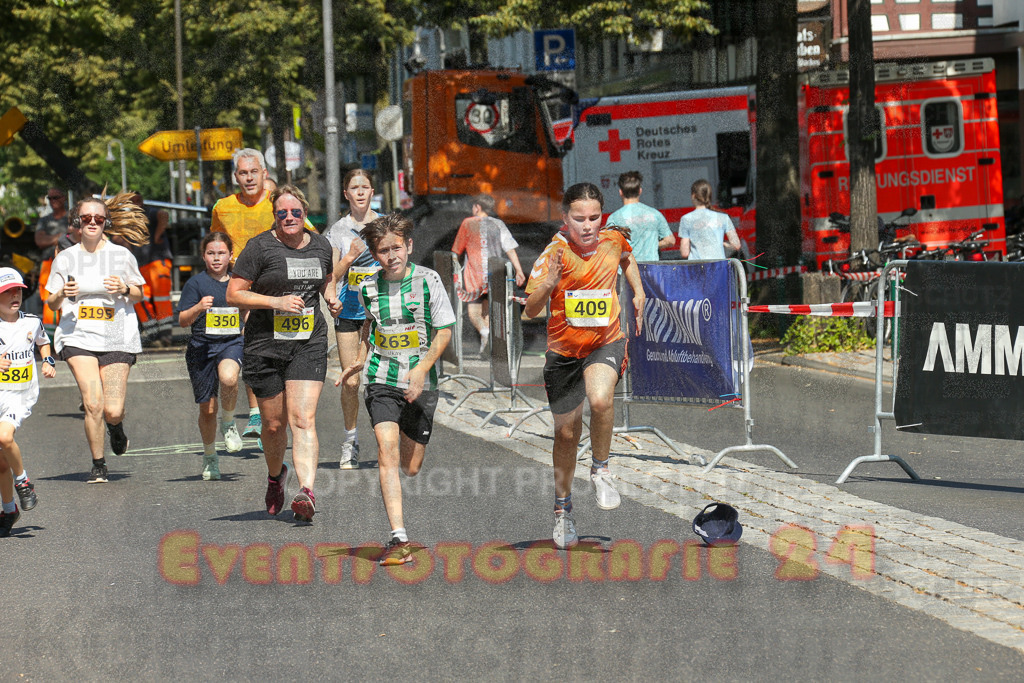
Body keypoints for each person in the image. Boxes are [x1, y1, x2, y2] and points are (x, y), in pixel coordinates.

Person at [524, 182, 645, 549]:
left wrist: (638, 292)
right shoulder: (554, 252)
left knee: (601, 399)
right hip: (564, 353)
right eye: (579, 219)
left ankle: (601, 469)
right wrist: (549, 283)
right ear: (565, 217)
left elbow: (626, 258)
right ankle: (563, 510)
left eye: (594, 217)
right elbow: (530, 310)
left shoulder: (612, 239)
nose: (588, 225)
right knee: (566, 434)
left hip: (605, 342)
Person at [341, 213, 455, 566]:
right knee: (385, 448)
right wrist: (361, 358)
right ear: (375, 254)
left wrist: (421, 369)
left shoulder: (428, 281)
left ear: (409, 246)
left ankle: (411, 447)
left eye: (396, 248)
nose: (391, 256)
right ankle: (399, 536)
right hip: (382, 379)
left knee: (411, 466)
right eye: (382, 250)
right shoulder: (368, 287)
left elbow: (444, 331)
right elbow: (369, 326)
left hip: (422, 382)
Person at [226, 185, 341, 523]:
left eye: (295, 212)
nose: (289, 218)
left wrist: (331, 297)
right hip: (265, 345)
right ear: (274, 216)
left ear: (305, 213)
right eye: (282, 213)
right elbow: (234, 293)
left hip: (308, 341)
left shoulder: (320, 245)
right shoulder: (259, 247)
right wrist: (275, 301)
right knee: (274, 426)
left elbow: (328, 278)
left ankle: (306, 492)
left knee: (303, 419)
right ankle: (276, 477)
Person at [46, 193, 149, 483]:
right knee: (93, 403)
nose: (92, 222)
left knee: (112, 410)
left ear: (106, 222)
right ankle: (99, 464)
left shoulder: (121, 255)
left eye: (99, 218)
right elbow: (51, 303)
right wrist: (61, 294)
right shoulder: (65, 258)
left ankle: (115, 426)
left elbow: (140, 294)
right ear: (77, 222)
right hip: (77, 336)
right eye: (86, 218)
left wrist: (125, 289)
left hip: (117, 336)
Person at [210, 148, 274, 440]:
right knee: (251, 346)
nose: (249, 178)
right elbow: (216, 245)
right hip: (243, 287)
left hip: (276, 286)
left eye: (254, 172)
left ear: (264, 174)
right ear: (236, 176)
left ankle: (272, 411)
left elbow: (306, 234)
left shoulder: (279, 203)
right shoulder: (222, 207)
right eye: (243, 173)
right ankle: (256, 413)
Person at [176, 232, 245, 481]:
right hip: (202, 347)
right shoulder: (195, 284)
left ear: (231, 255)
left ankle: (228, 423)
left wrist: (245, 330)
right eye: (211, 253)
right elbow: (182, 320)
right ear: (203, 256)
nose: (216, 258)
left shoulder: (238, 282)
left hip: (230, 343)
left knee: (229, 378)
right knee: (207, 409)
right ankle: (209, 456)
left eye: (221, 253)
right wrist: (197, 307)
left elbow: (247, 308)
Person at [325, 169, 380, 469]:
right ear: (346, 193)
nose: (360, 192)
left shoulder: (384, 225)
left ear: (372, 191)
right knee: (351, 380)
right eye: (354, 188)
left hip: (381, 311)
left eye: (365, 187)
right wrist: (349, 258)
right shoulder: (338, 230)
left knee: (383, 379)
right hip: (349, 311)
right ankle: (350, 441)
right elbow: (331, 276)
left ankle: (389, 439)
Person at [0, 268, 57, 537]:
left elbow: (43, 342)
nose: (15, 296)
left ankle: (23, 483)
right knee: (1, 463)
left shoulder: (32, 322)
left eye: (18, 291)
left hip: (19, 394)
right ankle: (8, 510)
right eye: (7, 292)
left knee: (4, 437)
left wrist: (48, 360)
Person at [451, 194, 525, 356]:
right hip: (494, 275)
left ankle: (485, 333)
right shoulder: (498, 224)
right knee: (486, 312)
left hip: (474, 277)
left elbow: (456, 250)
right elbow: (510, 249)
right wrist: (519, 270)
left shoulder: (468, 223)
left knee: (473, 311)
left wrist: (455, 268)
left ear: (477, 207)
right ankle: (486, 348)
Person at [128, 193, 174, 347]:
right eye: (132, 202)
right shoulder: (131, 219)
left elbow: (164, 215)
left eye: (137, 201)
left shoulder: (149, 212)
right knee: (141, 299)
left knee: (161, 297)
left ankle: (165, 335)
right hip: (141, 265)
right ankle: (153, 334)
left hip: (157, 261)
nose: (136, 204)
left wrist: (157, 235)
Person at [605, 171, 674, 262]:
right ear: (640, 191)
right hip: (651, 267)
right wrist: (652, 245)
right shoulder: (655, 214)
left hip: (628, 268)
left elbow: (609, 246)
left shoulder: (615, 218)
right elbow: (670, 240)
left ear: (620, 192)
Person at [678, 179, 740, 260]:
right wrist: (724, 244)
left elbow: (684, 252)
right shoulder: (723, 217)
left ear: (693, 195)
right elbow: (736, 245)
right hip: (718, 265)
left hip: (697, 266)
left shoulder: (686, 219)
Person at [34, 188, 68, 259]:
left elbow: (78, 238)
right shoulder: (43, 220)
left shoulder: (72, 218)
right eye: (50, 198)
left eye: (55, 197)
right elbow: (40, 241)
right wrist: (63, 236)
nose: (52, 200)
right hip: (49, 261)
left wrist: (49, 239)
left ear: (64, 198)